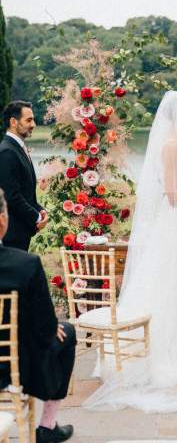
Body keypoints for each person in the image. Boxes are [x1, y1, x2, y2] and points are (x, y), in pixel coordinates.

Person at [84, 91, 177, 412]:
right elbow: (172, 193)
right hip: (176, 221)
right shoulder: (170, 145)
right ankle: (165, 354)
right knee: (171, 282)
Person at [0, 188, 76, 443]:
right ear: (2, 221)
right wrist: (51, 325)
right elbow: (45, 332)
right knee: (68, 332)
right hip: (12, 368)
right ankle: (47, 425)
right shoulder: (25, 264)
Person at [0, 100, 49, 251]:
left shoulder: (18, 147)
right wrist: (37, 218)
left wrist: (40, 209)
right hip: (11, 235)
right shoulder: (7, 151)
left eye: (33, 119)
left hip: (21, 232)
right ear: (13, 122)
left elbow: (25, 190)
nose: (33, 124)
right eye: (28, 120)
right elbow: (11, 196)